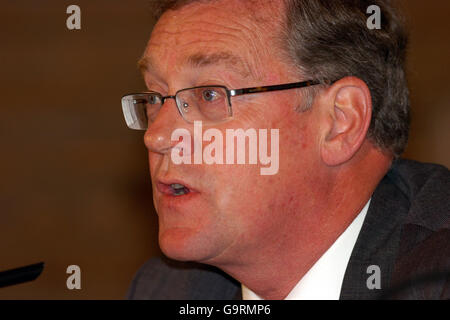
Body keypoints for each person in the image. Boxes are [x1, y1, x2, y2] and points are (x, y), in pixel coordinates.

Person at [122, 0, 449, 299]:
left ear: (340, 122)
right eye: (154, 97)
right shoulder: (167, 290)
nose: (158, 137)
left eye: (209, 95)